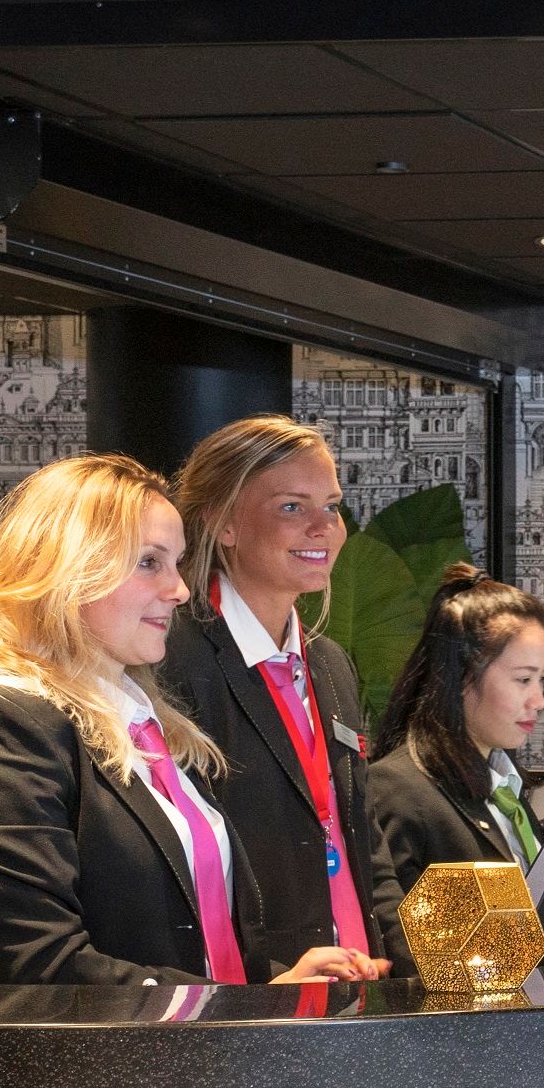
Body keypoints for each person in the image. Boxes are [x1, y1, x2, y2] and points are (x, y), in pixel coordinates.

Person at [0, 453, 375, 987]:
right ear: (67, 570)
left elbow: (191, 939)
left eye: (177, 562)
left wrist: (270, 985)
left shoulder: (152, 724)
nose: (180, 589)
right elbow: (39, 966)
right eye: (149, 562)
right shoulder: (1, 723)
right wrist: (240, 1007)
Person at [161, 416, 395, 982]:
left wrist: (406, 968)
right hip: (257, 998)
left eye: (332, 506)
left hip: (357, 989)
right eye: (292, 506)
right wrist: (265, 985)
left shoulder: (330, 665)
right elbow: (182, 871)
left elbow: (361, 841)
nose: (324, 527)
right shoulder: (171, 661)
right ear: (222, 523)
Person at [364, 566, 544, 898]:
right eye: (524, 679)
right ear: (462, 677)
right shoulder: (396, 790)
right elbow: (396, 924)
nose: (539, 700)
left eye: (542, 679)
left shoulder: (504, 785)